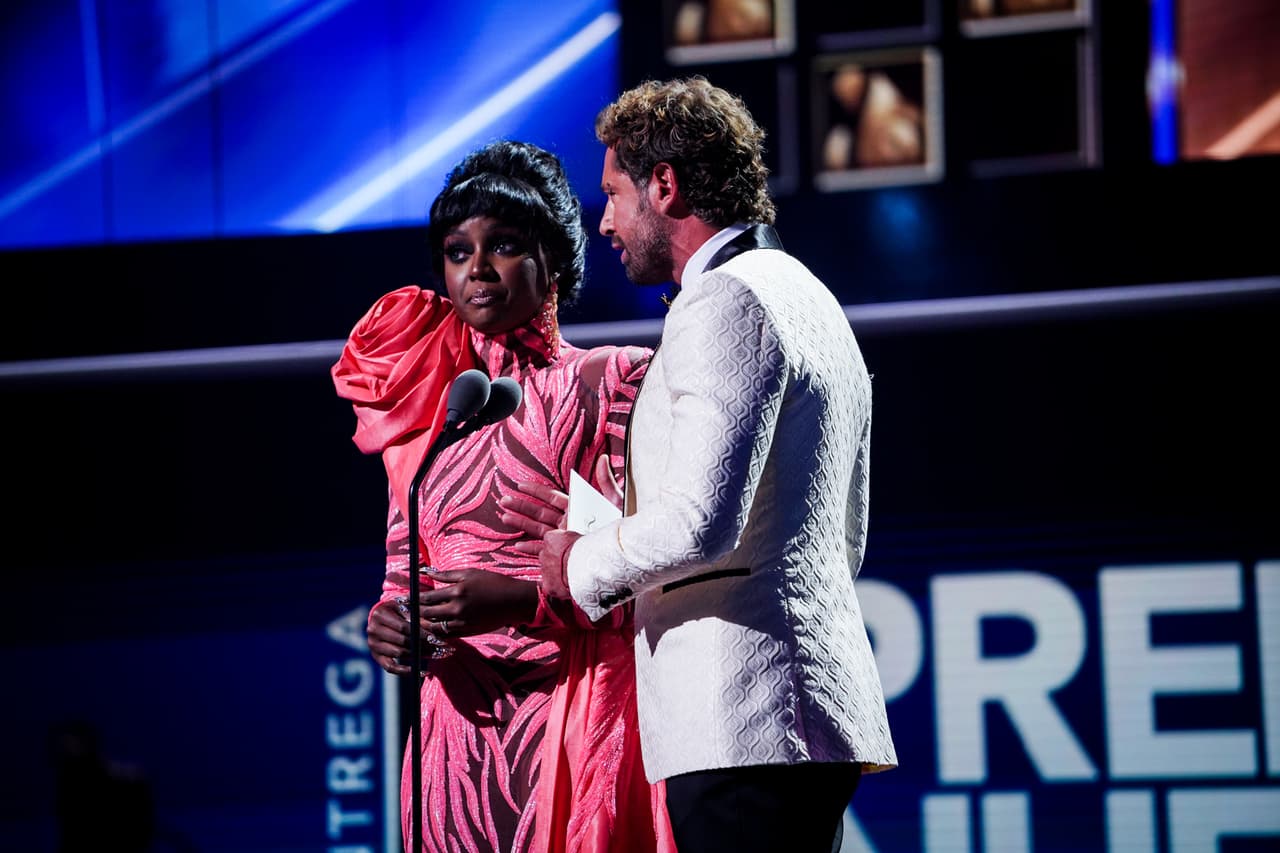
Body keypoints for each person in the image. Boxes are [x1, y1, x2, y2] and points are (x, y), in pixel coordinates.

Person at [521, 77, 899, 852]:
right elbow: (845, 537)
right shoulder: (810, 295)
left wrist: (581, 560)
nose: (604, 221)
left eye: (614, 194)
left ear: (664, 185)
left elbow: (700, 522)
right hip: (789, 720)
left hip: (742, 719)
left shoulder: (726, 300)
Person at [331, 140, 674, 853]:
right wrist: (391, 626)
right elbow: (403, 580)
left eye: (505, 245)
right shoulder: (432, 409)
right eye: (458, 252)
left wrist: (518, 599)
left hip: (573, 718)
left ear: (555, 260)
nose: (477, 270)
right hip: (454, 741)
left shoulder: (615, 381)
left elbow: (653, 571)